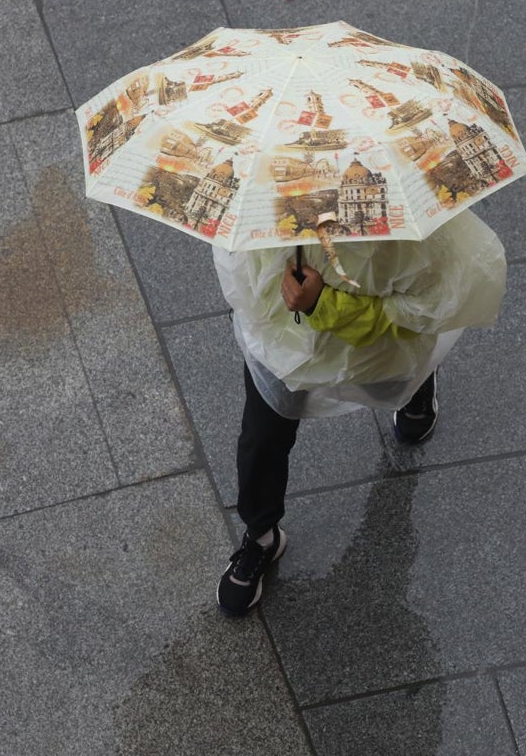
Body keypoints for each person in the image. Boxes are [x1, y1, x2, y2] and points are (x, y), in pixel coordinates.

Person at [212, 210, 507, 617]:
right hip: (281, 344)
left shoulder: (417, 229)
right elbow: (241, 269)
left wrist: (322, 304)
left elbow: (417, 315)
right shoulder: (262, 198)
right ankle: (261, 536)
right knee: (263, 436)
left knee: (395, 378)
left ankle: (418, 390)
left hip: (375, 351)